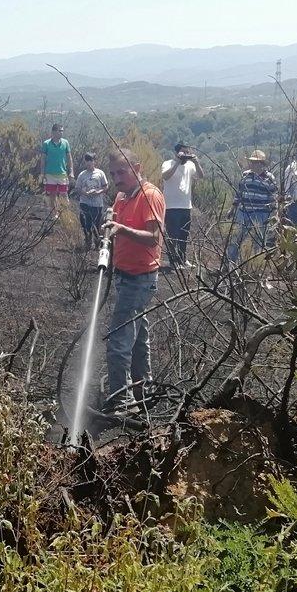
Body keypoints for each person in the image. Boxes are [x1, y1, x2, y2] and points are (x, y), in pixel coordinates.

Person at [103, 147, 166, 410]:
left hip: (141, 278)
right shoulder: (122, 197)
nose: (118, 178)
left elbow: (154, 238)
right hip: (124, 276)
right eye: (114, 173)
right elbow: (116, 221)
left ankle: (122, 401)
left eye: (122, 171)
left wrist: (122, 230)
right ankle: (143, 389)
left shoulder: (150, 196)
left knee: (119, 339)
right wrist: (110, 223)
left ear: (137, 168)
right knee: (139, 336)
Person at [226, 150, 277, 264]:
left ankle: (254, 267)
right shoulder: (246, 175)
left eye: (256, 162)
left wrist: (274, 215)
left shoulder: (269, 178)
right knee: (236, 238)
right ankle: (229, 264)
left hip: (262, 214)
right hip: (244, 212)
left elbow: (274, 197)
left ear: (262, 164)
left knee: (258, 242)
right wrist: (232, 208)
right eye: (252, 162)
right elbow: (239, 193)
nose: (253, 164)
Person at [160, 142, 204, 269]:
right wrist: (178, 162)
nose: (186, 154)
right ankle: (173, 261)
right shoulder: (168, 163)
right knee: (173, 234)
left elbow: (201, 176)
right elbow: (165, 176)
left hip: (186, 206)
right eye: (184, 152)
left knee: (184, 235)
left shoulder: (190, 165)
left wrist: (196, 162)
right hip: (171, 206)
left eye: (188, 152)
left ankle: (183, 259)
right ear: (177, 152)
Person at [75, 152, 108, 249]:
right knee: (86, 223)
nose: (89, 164)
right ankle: (88, 242)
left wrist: (98, 192)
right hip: (85, 202)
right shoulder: (82, 175)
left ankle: (97, 243)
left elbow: (105, 187)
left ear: (94, 162)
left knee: (96, 224)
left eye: (91, 162)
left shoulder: (100, 173)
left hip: (97, 204)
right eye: (87, 162)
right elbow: (77, 188)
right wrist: (84, 193)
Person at [40, 123, 74, 219]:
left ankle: (67, 215)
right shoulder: (46, 144)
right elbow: (43, 159)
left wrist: (71, 172)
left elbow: (69, 158)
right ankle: (55, 214)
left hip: (62, 174)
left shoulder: (65, 143)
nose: (61, 133)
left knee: (64, 195)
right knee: (52, 195)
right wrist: (42, 173)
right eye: (59, 131)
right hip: (50, 174)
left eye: (62, 131)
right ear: (53, 132)